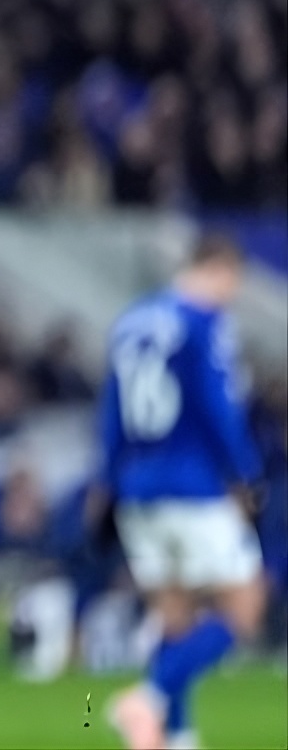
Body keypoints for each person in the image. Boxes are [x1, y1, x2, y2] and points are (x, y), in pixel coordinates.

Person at [101, 233, 270, 750]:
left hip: (137, 488)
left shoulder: (130, 323)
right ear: (217, 268)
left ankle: (178, 737)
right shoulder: (203, 322)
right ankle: (150, 697)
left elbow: (110, 413)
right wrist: (245, 473)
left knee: (175, 619)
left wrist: (108, 480)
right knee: (246, 605)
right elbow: (218, 404)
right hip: (193, 484)